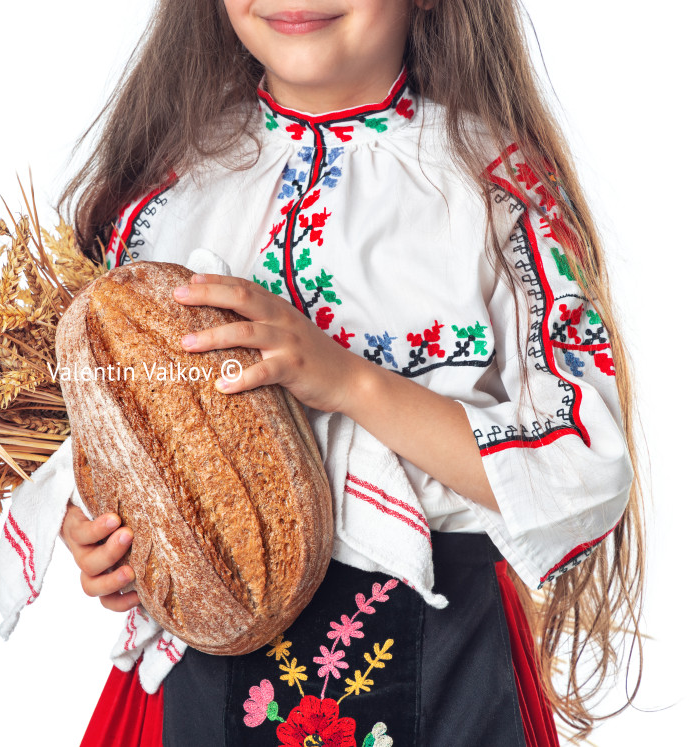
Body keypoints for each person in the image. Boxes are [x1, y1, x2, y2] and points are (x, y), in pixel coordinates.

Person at [53, 1, 645, 744]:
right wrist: (100, 530)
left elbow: (587, 463)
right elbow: (105, 424)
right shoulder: (162, 193)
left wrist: (350, 382)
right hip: (194, 689)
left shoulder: (496, 185)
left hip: (441, 669)